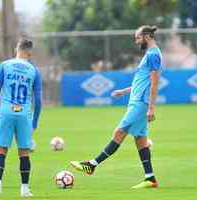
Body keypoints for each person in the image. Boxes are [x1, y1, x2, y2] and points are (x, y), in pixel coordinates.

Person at [71, 25, 162, 189]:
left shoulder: (153, 55)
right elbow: (142, 81)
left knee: (119, 132)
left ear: (147, 37)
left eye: (138, 38)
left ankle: (92, 165)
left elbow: (155, 82)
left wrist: (151, 108)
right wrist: (124, 91)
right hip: (137, 100)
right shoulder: (150, 54)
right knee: (140, 139)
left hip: (141, 103)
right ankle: (150, 178)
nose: (136, 42)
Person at [0, 38, 42, 198]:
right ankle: (25, 190)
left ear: (16, 49)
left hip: (6, 112)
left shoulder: (5, 65)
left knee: (1, 150)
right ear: (30, 52)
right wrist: (35, 121)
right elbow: (38, 99)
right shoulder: (34, 70)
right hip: (24, 114)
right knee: (24, 152)